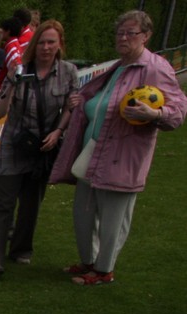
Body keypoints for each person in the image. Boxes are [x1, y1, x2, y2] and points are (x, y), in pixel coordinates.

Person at [49, 9, 185, 285]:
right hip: (93, 152)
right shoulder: (118, 66)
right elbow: (100, 103)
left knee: (113, 217)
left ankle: (103, 271)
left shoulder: (154, 68)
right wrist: (80, 102)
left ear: (146, 36)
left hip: (122, 157)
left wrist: (155, 114)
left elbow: (178, 111)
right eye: (119, 33)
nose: (123, 38)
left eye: (130, 33)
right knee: (84, 212)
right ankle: (88, 261)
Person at [0, 20, 77, 277]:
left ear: (59, 44)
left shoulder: (68, 72)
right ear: (34, 45)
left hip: (44, 145)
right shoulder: (19, 69)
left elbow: (71, 105)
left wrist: (58, 131)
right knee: (4, 201)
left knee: (32, 203)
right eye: (41, 42)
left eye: (51, 42)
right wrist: (12, 84)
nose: (46, 47)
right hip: (15, 143)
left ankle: (21, 249)